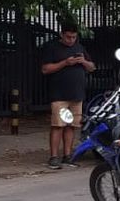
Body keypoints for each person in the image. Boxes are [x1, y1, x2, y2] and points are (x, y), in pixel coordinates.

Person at [40, 21, 96, 169]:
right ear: (62, 35)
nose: (71, 40)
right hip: (59, 94)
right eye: (68, 37)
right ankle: (53, 157)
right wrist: (65, 62)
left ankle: (67, 155)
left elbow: (92, 67)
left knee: (71, 125)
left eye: (74, 37)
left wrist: (83, 61)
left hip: (77, 94)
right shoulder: (52, 47)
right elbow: (45, 69)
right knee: (58, 125)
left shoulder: (79, 48)